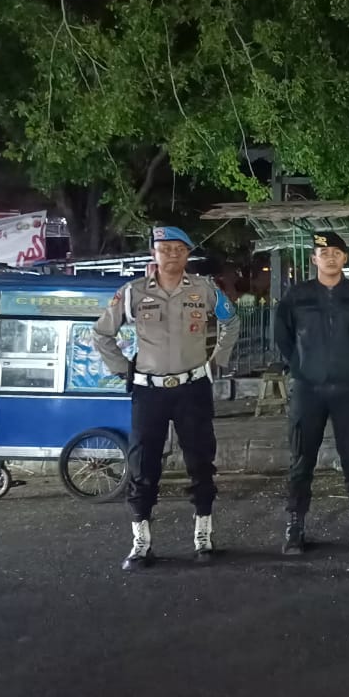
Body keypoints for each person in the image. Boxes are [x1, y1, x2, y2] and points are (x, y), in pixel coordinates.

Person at [92, 225, 239, 570]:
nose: (172, 254)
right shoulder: (133, 292)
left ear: (188, 253)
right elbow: (102, 334)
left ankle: (204, 535)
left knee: (201, 462)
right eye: (165, 248)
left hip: (192, 389)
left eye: (179, 249)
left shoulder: (204, 289)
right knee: (143, 466)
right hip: (149, 392)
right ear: (154, 253)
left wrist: (218, 359)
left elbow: (231, 321)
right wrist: (123, 370)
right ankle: (141, 542)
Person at [275, 231, 349, 554]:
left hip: (347, 388)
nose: (330, 257)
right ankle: (295, 524)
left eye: (336, 252)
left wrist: (348, 362)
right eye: (324, 253)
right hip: (308, 389)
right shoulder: (297, 295)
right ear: (314, 259)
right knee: (301, 459)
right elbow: (283, 336)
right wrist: (302, 366)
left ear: (345, 258)